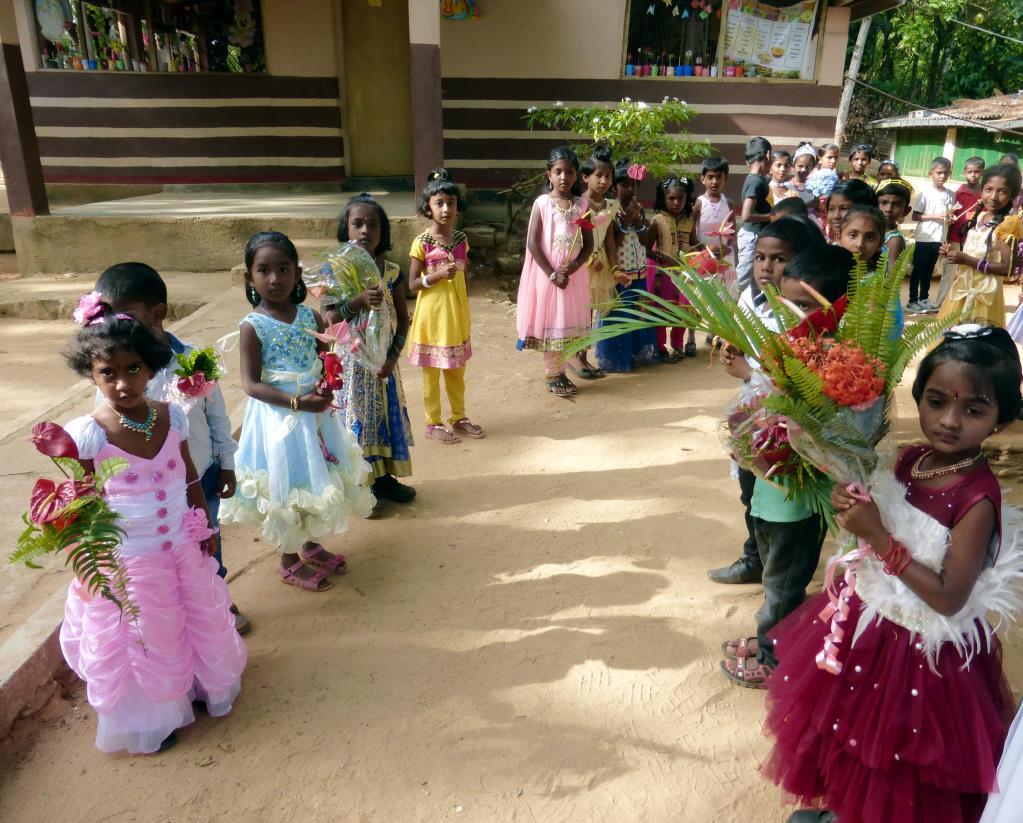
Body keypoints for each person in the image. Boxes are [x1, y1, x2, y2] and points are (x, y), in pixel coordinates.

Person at [765, 325, 1021, 823]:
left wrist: (879, 536)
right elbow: (879, 516)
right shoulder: (911, 458)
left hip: (923, 657)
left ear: (1002, 417)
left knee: (897, 758)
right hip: (870, 624)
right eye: (936, 400)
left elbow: (948, 597)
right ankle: (844, 806)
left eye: (974, 410)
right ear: (918, 395)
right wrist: (853, 504)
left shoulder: (976, 498)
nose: (949, 420)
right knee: (846, 729)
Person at [60, 304, 246, 754]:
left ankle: (198, 687)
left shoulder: (173, 417)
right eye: (108, 372)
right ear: (91, 374)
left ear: (152, 369)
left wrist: (203, 530)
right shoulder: (88, 435)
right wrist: (92, 562)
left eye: (134, 369)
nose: (122, 383)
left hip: (181, 543)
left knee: (188, 616)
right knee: (144, 634)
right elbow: (79, 505)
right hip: (127, 559)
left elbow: (186, 478)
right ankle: (150, 718)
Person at [719, 244, 851, 688]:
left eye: (804, 308)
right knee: (775, 570)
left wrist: (753, 380)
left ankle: (776, 663)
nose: (792, 318)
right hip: (771, 490)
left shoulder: (839, 369)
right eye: (785, 304)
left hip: (799, 501)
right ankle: (770, 639)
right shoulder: (793, 352)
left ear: (835, 311)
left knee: (783, 586)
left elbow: (814, 423)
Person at [94, 263, 250, 636]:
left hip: (202, 473)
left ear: (157, 313)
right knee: (164, 556)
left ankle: (218, 598)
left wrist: (227, 464)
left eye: (124, 315)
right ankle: (177, 615)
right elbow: (104, 429)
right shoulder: (113, 372)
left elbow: (216, 415)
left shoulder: (193, 360)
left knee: (207, 541)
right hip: (150, 489)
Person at [220, 231, 373, 591]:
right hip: (278, 418)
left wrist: (326, 385)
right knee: (285, 482)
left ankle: (310, 543)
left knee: (315, 475)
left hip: (316, 415)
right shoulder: (252, 326)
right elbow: (251, 385)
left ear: (297, 273)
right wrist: (297, 402)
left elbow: (325, 359)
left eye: (284, 269)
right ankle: (288, 559)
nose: (275, 279)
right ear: (249, 277)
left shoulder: (310, 317)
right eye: (264, 270)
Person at [708, 219, 827, 587]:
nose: (766, 267)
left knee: (780, 500)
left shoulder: (802, 311)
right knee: (750, 492)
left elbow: (798, 380)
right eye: (760, 257)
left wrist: (747, 371)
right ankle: (755, 557)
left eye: (778, 259)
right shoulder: (750, 296)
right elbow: (744, 339)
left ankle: (780, 577)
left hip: (785, 422)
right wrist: (732, 347)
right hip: (752, 415)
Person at [323, 193, 416, 507]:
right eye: (357, 224)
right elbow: (330, 317)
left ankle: (384, 477)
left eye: (373, 225)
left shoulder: (391, 272)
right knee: (357, 420)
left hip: (384, 366)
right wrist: (359, 301)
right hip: (351, 364)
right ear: (345, 228)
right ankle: (363, 485)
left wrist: (391, 358)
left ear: (383, 232)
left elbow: (403, 320)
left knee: (385, 419)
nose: (365, 230)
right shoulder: (335, 269)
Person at [407, 169, 484, 441]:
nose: (446, 209)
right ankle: (433, 422)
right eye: (439, 203)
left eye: (451, 203)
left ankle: (458, 416)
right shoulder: (422, 243)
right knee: (431, 374)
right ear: (428, 207)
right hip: (432, 319)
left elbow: (464, 279)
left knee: (456, 371)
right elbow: (412, 283)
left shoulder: (462, 240)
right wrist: (436, 277)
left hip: (456, 317)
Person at [516, 146, 594, 397]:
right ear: (549, 174)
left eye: (569, 172)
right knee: (553, 322)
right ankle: (552, 372)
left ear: (576, 175)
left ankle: (561, 370)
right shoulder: (543, 204)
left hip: (573, 276)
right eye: (558, 171)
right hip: (548, 276)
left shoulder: (583, 205)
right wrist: (552, 274)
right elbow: (533, 243)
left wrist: (575, 266)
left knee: (567, 323)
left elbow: (589, 243)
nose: (564, 177)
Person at [594, 159, 659, 372]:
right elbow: (612, 241)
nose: (629, 189)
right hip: (621, 272)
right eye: (624, 184)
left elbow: (645, 241)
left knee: (637, 313)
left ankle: (636, 354)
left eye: (633, 184)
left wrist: (639, 222)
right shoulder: (611, 211)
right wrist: (627, 221)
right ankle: (618, 359)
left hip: (639, 271)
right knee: (620, 315)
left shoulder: (638, 208)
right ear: (615, 187)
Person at [939, 163, 1022, 327]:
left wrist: (967, 260)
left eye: (1002, 191)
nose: (994, 196)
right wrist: (950, 253)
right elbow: (973, 249)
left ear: (1013, 195)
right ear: (981, 190)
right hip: (962, 289)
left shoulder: (1008, 224)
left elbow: (1007, 268)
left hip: (984, 295)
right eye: (989, 189)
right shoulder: (979, 216)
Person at [574, 144, 618, 378]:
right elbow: (573, 239)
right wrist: (589, 260)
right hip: (582, 263)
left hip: (602, 264)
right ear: (585, 177)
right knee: (582, 313)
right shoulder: (578, 204)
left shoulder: (610, 206)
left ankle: (585, 357)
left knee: (595, 314)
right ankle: (577, 357)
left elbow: (610, 240)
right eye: (598, 176)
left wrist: (614, 267)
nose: (603, 181)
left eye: (608, 176)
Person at [649, 174, 696, 359]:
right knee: (662, 311)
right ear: (664, 198)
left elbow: (694, 242)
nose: (676, 202)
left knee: (682, 311)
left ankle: (678, 345)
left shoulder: (689, 221)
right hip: (664, 275)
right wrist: (663, 257)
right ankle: (660, 347)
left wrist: (708, 249)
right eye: (671, 198)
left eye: (681, 198)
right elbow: (646, 249)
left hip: (684, 275)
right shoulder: (658, 220)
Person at [908, 156, 955, 314]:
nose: (942, 176)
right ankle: (912, 301)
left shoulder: (950, 194)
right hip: (924, 237)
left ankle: (924, 299)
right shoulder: (925, 193)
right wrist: (937, 216)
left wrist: (949, 219)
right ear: (931, 173)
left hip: (939, 238)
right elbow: (916, 216)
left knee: (929, 270)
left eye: (946, 173)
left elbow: (948, 215)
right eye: (939, 173)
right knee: (918, 270)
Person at [940, 157, 987, 306]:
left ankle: (966, 304)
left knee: (970, 272)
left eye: (977, 172)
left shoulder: (985, 194)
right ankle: (942, 303)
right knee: (950, 272)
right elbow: (950, 216)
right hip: (955, 238)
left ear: (982, 173)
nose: (973, 175)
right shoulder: (957, 194)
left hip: (976, 240)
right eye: (970, 172)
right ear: (964, 173)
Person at [737, 137, 773, 294]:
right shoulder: (755, 182)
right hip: (751, 236)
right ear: (768, 155)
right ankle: (728, 308)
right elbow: (746, 215)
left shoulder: (758, 180)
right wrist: (770, 216)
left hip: (757, 235)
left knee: (754, 280)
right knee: (742, 279)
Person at [692, 156, 735, 256]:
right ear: (703, 179)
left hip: (724, 257)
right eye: (710, 177)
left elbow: (733, 233)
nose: (715, 181)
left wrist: (727, 249)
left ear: (726, 178)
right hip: (703, 255)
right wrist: (704, 249)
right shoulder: (699, 204)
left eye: (719, 177)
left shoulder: (729, 204)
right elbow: (691, 233)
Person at [876, 178, 914, 271]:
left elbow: (891, 279)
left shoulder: (894, 240)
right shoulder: (873, 232)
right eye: (884, 203)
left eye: (896, 205)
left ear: (906, 211)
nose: (888, 209)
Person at [789, 143, 819, 215]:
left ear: (813, 167)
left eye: (808, 167)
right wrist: (807, 206)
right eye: (800, 166)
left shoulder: (815, 185)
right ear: (793, 165)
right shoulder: (788, 186)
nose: (803, 170)